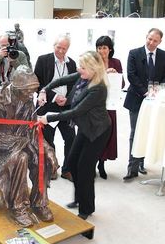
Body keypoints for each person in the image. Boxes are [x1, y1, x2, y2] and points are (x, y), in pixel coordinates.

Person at [0, 66, 58, 227]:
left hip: (21, 139)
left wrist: (47, 149)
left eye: (32, 91)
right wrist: (23, 143)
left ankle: (39, 202)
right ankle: (18, 207)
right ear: (15, 87)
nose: (30, 95)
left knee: (42, 155)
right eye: (26, 91)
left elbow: (32, 129)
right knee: (20, 158)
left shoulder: (27, 100)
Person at [37, 51, 111, 220]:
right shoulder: (83, 76)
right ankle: (80, 198)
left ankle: (86, 208)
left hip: (97, 132)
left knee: (84, 168)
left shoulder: (98, 88)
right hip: (85, 128)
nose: (79, 69)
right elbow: (59, 81)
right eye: (79, 66)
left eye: (83, 67)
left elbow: (76, 111)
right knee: (71, 164)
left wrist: (48, 118)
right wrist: (44, 90)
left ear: (94, 69)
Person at [123, 28, 165, 181]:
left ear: (160, 41)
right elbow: (131, 76)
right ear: (146, 37)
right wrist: (145, 92)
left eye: (155, 40)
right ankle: (132, 168)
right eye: (150, 39)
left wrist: (157, 91)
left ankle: (141, 162)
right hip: (136, 99)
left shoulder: (163, 56)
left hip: (155, 101)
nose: (151, 42)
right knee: (135, 132)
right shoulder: (134, 53)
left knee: (148, 131)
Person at [34, 34, 77, 181]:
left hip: (65, 107)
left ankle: (68, 169)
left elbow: (74, 86)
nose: (60, 51)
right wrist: (54, 97)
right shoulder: (43, 60)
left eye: (64, 48)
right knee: (47, 140)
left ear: (68, 49)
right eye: (58, 47)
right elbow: (36, 84)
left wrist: (67, 100)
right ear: (54, 46)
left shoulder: (71, 64)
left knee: (71, 138)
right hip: (47, 106)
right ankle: (51, 167)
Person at [95, 35, 125, 179]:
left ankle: (102, 163)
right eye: (99, 48)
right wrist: (104, 75)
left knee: (108, 134)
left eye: (104, 48)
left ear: (110, 49)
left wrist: (116, 75)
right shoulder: (93, 62)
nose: (102, 51)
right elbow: (88, 82)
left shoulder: (116, 62)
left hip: (111, 104)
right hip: (95, 105)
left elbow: (122, 84)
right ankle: (92, 161)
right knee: (95, 134)